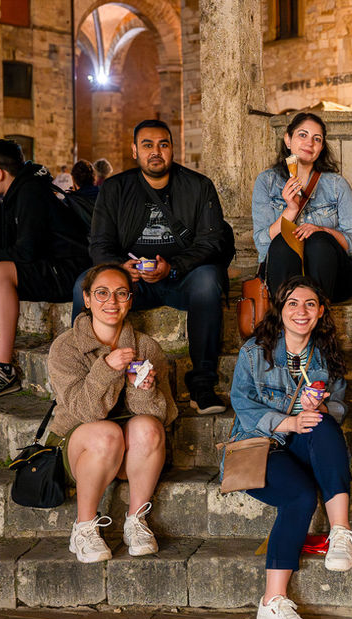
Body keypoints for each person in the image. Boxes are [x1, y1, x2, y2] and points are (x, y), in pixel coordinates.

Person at [74, 119, 234, 414]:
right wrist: (121, 268)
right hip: (131, 283)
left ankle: (202, 385)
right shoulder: (115, 189)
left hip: (180, 277)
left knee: (209, 279)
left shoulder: (199, 187)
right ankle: (87, 380)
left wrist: (172, 267)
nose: (156, 151)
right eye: (147, 145)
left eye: (163, 144)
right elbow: (99, 244)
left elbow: (212, 242)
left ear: (173, 149)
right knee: (84, 284)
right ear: (135, 151)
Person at [229, 275, 352, 619]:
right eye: (293, 304)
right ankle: (272, 602)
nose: (302, 311)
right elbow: (243, 405)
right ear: (280, 310)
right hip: (259, 446)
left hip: (306, 447)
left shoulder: (327, 355)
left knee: (323, 422)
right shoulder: (255, 351)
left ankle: (341, 533)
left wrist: (324, 407)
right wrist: (289, 421)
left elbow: (341, 406)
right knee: (300, 498)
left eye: (310, 304)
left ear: (320, 312)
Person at [47, 263, 177, 563]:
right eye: (102, 293)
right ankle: (84, 527)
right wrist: (106, 369)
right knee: (106, 433)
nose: (112, 302)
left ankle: (136, 521)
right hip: (80, 449)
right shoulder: (66, 348)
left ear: (130, 300)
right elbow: (83, 411)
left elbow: (163, 416)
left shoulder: (145, 346)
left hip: (129, 454)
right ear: (87, 299)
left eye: (121, 294)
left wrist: (140, 388)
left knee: (148, 428)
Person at [0, 139, 90, 399]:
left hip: (70, 271)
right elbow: (2, 245)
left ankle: (3, 370)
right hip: (47, 267)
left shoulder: (31, 191)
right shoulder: (10, 196)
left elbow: (26, 252)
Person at [251, 112, 352, 299]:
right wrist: (291, 210)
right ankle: (287, 314)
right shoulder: (267, 181)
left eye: (317, 139)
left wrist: (323, 231)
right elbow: (262, 243)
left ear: (321, 147)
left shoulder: (336, 185)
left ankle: (318, 309)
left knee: (319, 241)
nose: (310, 143)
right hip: (284, 274)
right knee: (283, 243)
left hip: (333, 278)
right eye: (302, 135)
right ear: (288, 140)